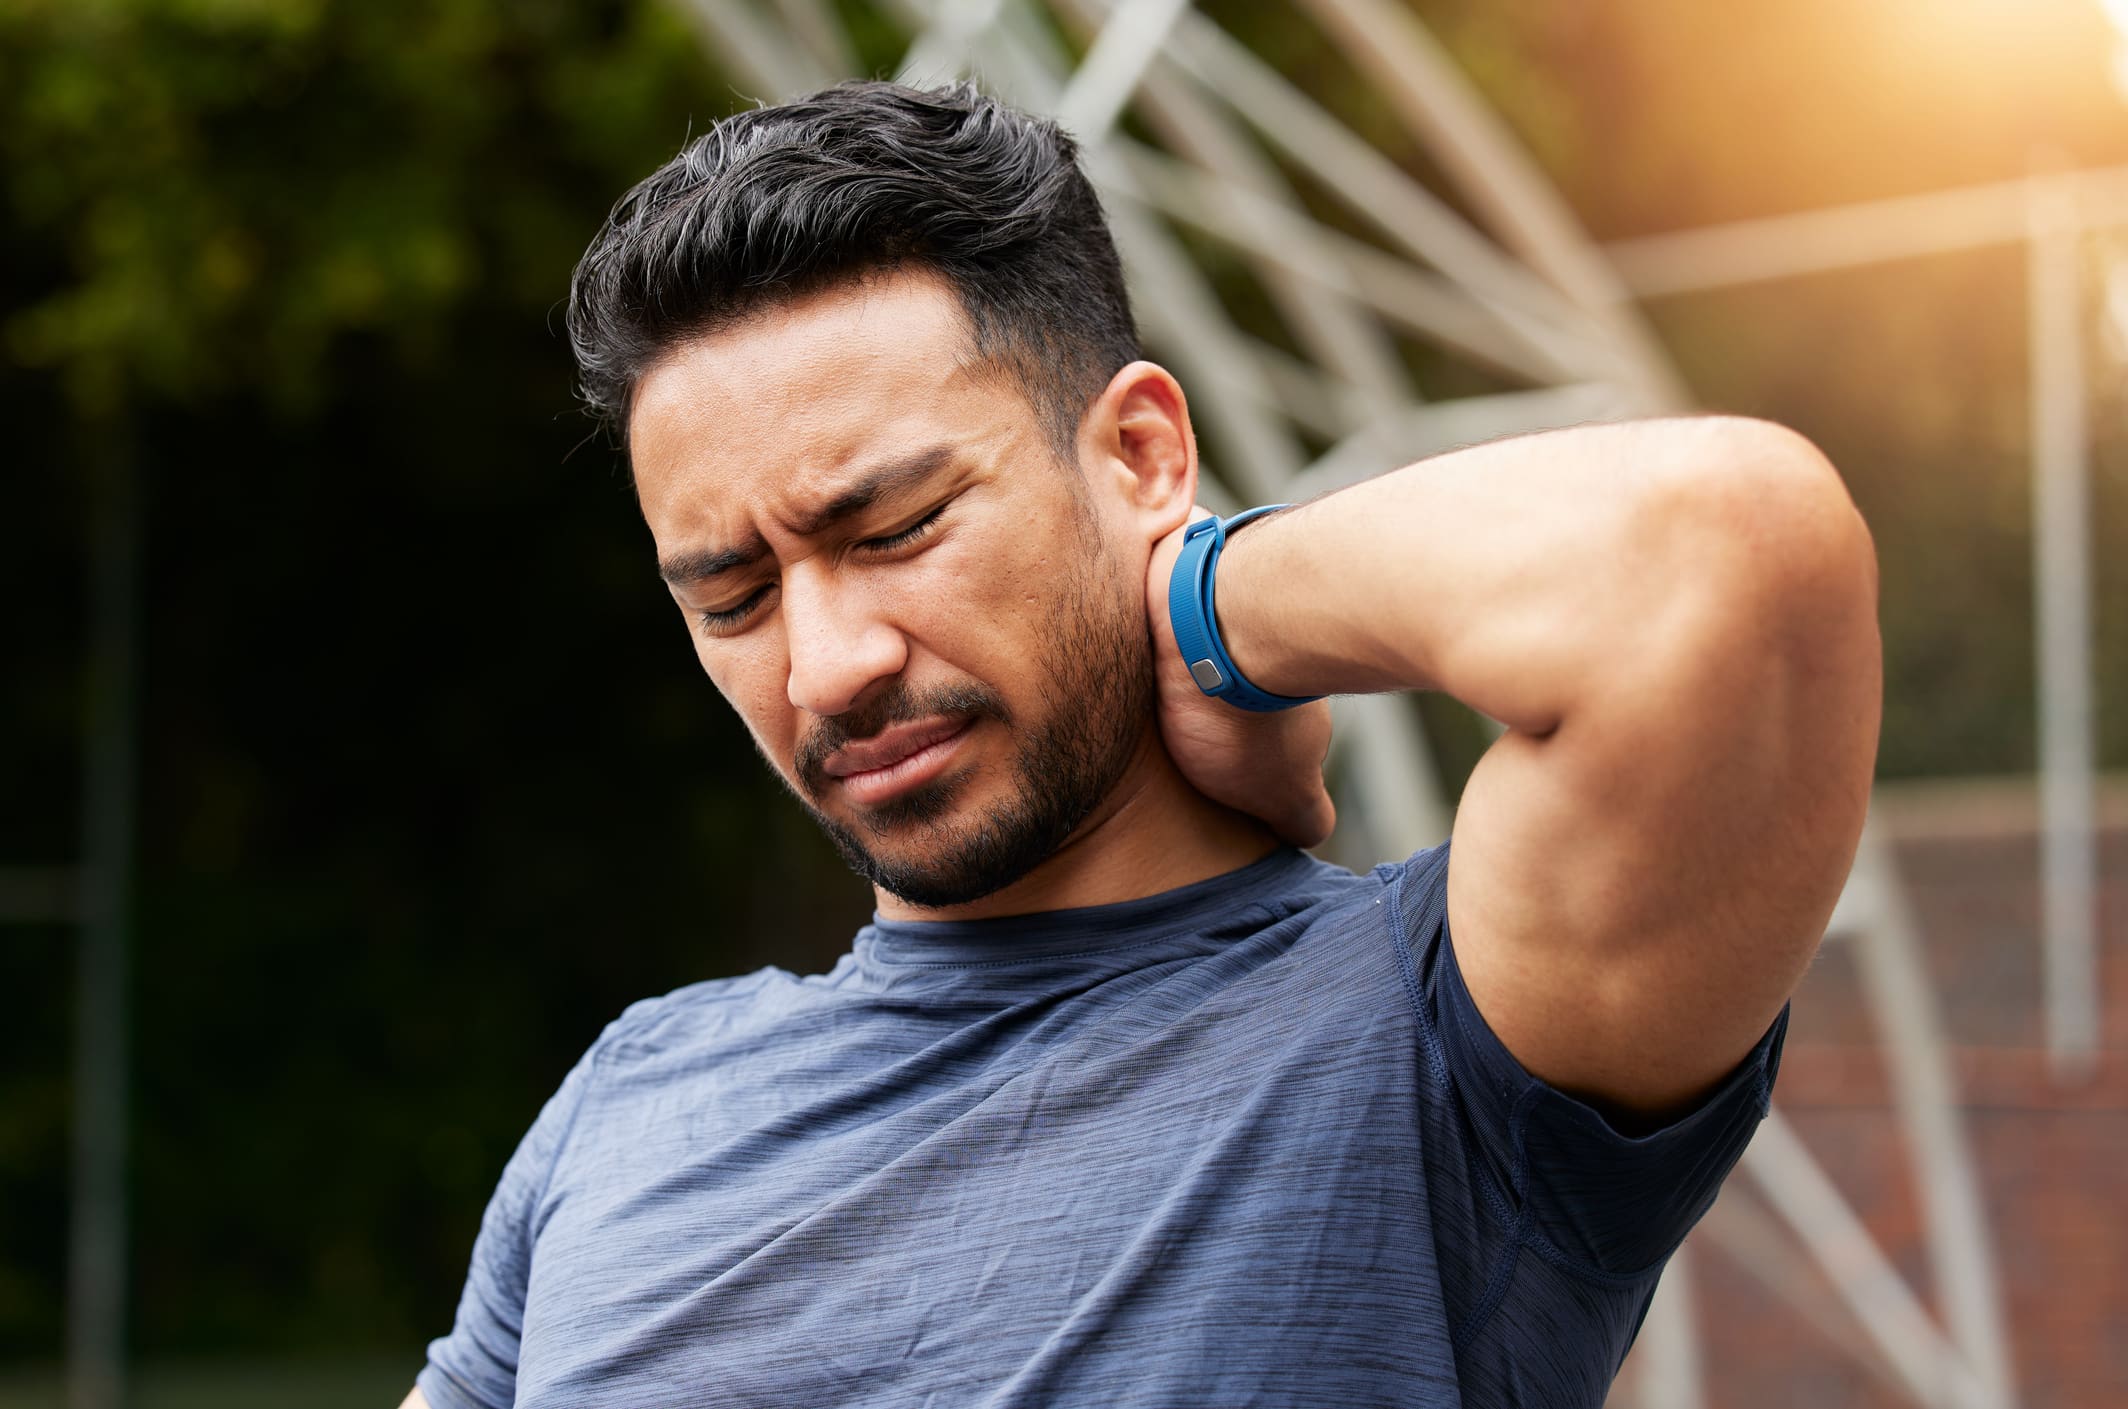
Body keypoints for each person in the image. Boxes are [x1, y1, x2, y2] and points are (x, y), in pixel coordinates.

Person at [405, 80, 1880, 1409]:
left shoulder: (1437, 1034)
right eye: (733, 595)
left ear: (1138, 454)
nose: (828, 666)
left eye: (901, 526)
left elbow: (1730, 562)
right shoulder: (638, 1092)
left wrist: (1213, 601)